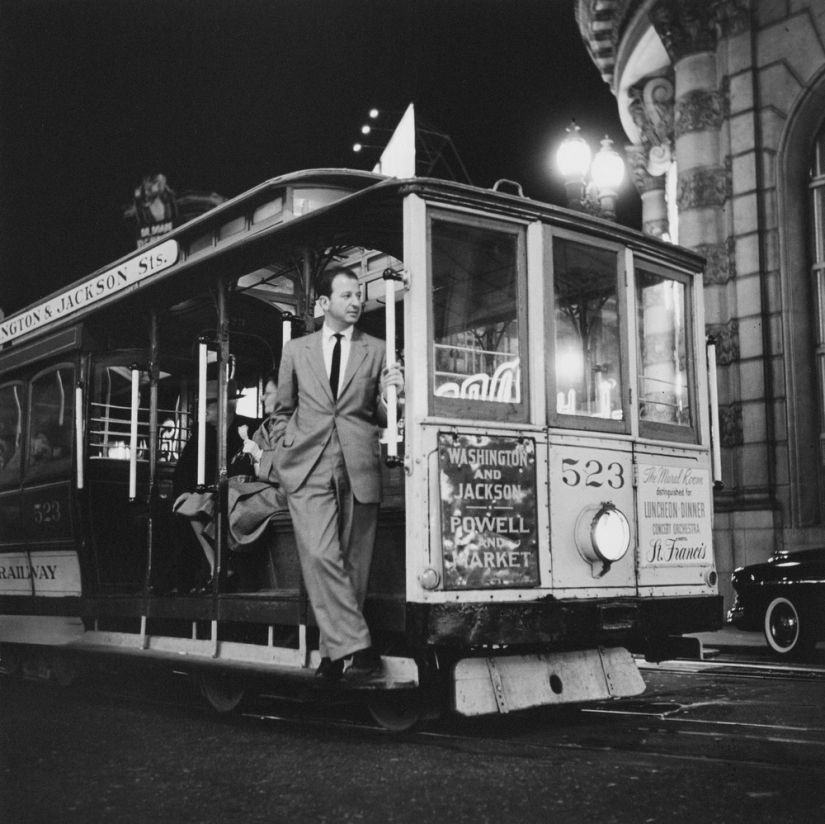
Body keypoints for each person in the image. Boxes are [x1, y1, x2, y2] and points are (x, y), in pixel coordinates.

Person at [272, 266, 404, 684]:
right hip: (307, 464)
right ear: (324, 303)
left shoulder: (379, 349)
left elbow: (384, 417)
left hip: (359, 462)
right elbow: (281, 411)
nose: (356, 302)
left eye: (359, 296)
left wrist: (393, 394)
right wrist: (284, 450)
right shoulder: (297, 350)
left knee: (353, 565)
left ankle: (332, 654)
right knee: (320, 554)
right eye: (346, 296)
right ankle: (359, 648)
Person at [172, 377, 260, 591]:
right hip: (207, 496)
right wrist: (184, 492)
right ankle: (210, 571)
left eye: (208, 403)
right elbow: (182, 471)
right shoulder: (200, 435)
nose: (204, 410)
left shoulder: (250, 428)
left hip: (240, 494)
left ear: (225, 405)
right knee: (184, 508)